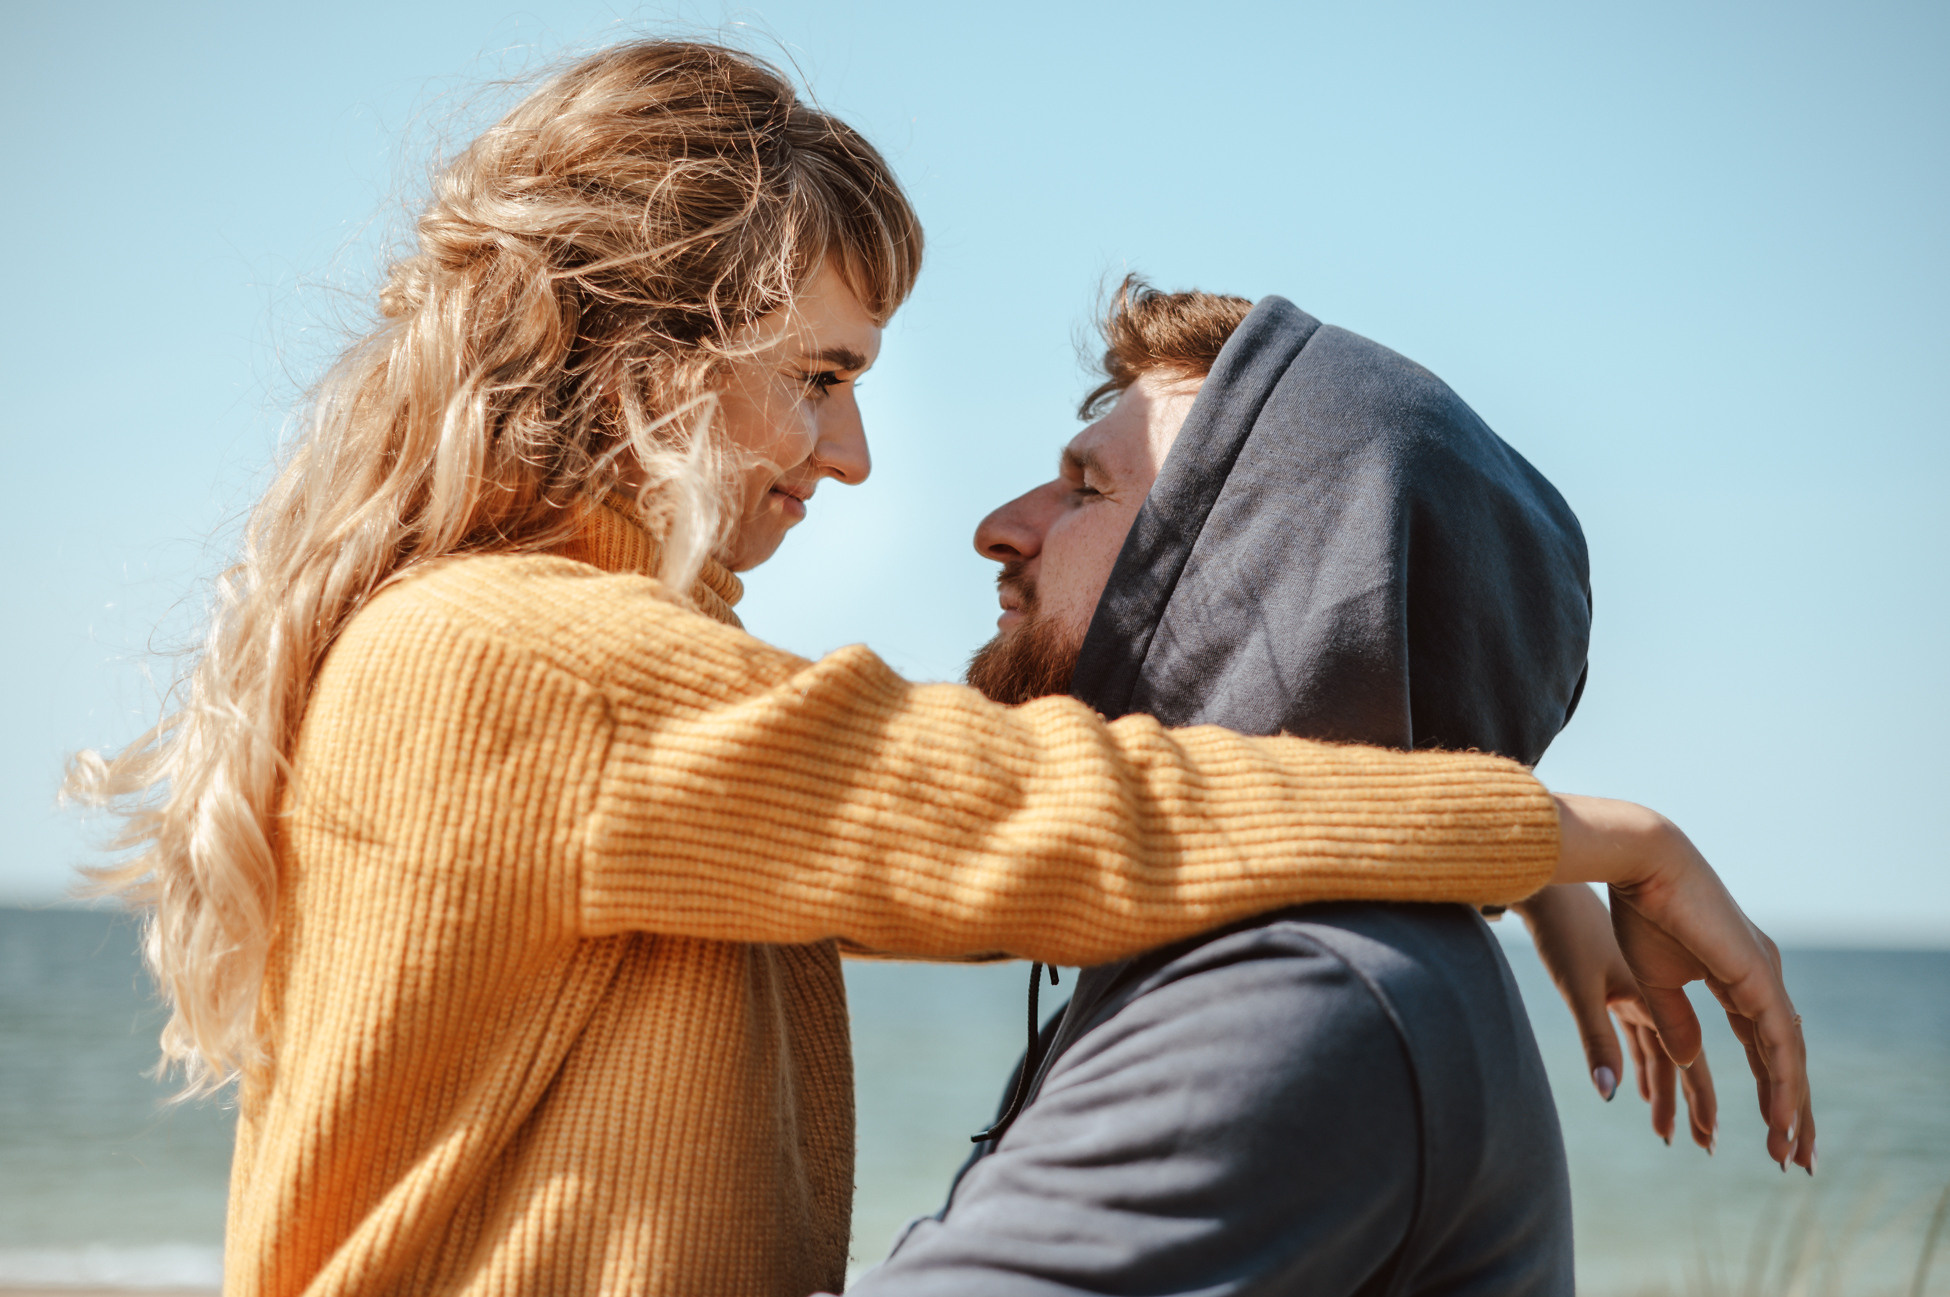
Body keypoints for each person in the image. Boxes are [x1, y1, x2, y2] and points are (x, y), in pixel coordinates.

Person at [66, 40, 1807, 1297]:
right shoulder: (533, 661)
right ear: (644, 359)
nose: (858, 460)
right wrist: (1567, 833)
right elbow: (1039, 813)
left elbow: (1037, 802)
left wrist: (1498, 859)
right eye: (818, 376)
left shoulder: (565, 659)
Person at [847, 282, 1794, 1295]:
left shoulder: (1298, 989)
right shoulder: (1258, 937)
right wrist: (1527, 855)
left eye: (1085, 489)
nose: (1001, 526)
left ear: (1250, 573)